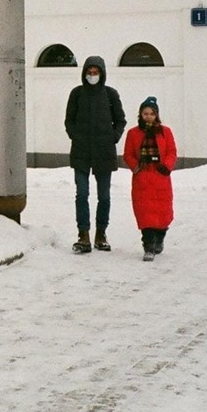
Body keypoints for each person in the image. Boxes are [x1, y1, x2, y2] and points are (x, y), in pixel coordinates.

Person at [64, 55, 126, 253]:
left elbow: (121, 120)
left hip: (104, 152)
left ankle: (101, 233)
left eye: (95, 72)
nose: (92, 75)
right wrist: (75, 136)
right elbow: (69, 120)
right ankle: (83, 234)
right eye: (89, 72)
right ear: (85, 73)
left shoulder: (110, 95)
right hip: (81, 152)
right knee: (81, 194)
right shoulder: (77, 94)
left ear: (102, 73)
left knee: (104, 196)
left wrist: (112, 137)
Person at [123, 96, 178, 261]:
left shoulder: (165, 132)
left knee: (163, 213)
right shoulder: (133, 133)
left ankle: (159, 238)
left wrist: (166, 166)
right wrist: (136, 167)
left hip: (161, 176)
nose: (148, 116)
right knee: (145, 214)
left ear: (156, 115)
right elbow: (128, 154)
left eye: (151, 113)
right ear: (140, 114)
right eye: (145, 113)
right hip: (143, 177)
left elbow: (171, 151)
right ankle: (148, 245)